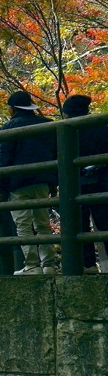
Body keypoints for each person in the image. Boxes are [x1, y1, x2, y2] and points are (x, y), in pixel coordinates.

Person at [0, 91, 59, 275]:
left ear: (13, 109)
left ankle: (32, 265)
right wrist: (53, 181)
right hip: (42, 181)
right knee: (43, 223)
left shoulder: (10, 127)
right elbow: (54, 154)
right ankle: (49, 264)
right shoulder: (47, 125)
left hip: (18, 182)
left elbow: (4, 159)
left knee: (23, 224)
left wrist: (0, 185)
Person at [61, 95, 108, 273]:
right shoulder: (101, 126)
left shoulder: (67, 130)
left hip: (76, 183)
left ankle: (87, 265)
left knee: (79, 225)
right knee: (105, 221)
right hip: (102, 180)